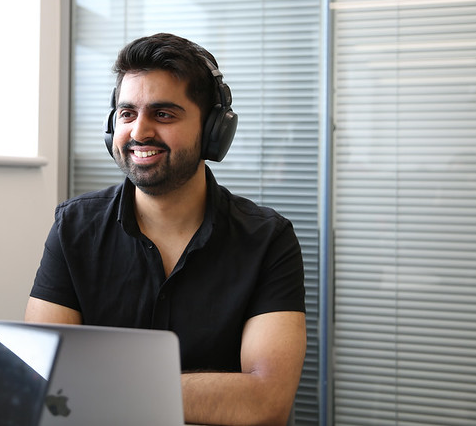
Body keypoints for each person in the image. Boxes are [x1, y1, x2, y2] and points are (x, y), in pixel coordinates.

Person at [25, 33, 306, 426]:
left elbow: (265, 401)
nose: (139, 132)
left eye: (163, 114)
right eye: (127, 114)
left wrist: (97, 387)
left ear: (212, 130)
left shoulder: (267, 240)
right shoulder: (74, 228)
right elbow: (41, 379)